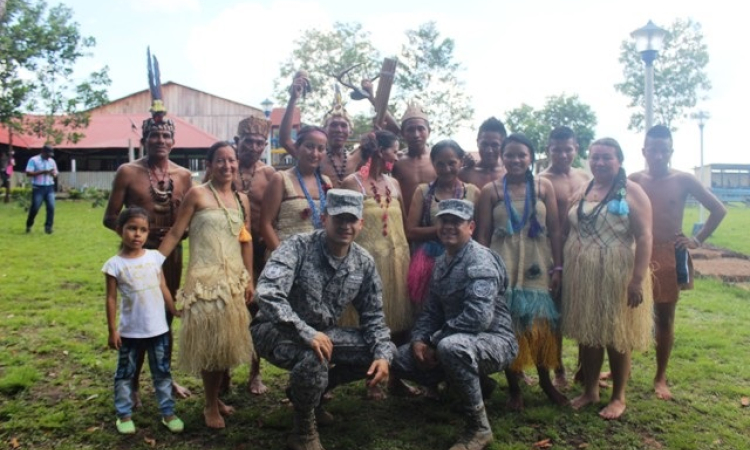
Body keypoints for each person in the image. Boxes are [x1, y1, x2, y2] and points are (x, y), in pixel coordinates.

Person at [251, 189, 394, 450]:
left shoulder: (363, 262)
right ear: (324, 218)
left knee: (380, 350)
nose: (345, 226)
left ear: (361, 224)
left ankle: (306, 393)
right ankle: (304, 429)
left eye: (352, 220)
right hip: (274, 331)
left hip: (323, 334)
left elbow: (373, 316)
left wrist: (382, 354)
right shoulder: (298, 246)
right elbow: (267, 294)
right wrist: (305, 332)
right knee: (314, 354)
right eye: (339, 218)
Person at [392, 199, 518, 450]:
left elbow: (478, 317)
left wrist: (433, 340)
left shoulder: (479, 260)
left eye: (456, 222)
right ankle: (478, 386)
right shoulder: (443, 261)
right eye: (444, 221)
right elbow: (430, 311)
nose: (448, 226)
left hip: (495, 341)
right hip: (455, 339)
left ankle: (479, 429)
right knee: (399, 358)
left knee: (451, 348)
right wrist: (418, 339)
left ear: (470, 227)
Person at [158, 141, 254, 429]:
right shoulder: (197, 194)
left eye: (232, 160)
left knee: (226, 342)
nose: (227, 166)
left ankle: (216, 398)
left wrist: (249, 277)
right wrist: (151, 263)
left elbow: (245, 239)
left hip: (234, 280)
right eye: (221, 161)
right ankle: (210, 404)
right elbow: (176, 232)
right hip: (205, 280)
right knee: (212, 343)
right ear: (209, 164)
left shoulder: (241, 199)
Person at [629, 125, 726, 400]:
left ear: (671, 151)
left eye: (663, 150)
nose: (658, 156)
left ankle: (660, 376)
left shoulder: (683, 180)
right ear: (644, 151)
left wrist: (697, 239)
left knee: (665, 317)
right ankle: (620, 369)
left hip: (669, 253)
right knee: (628, 310)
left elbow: (718, 209)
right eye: (653, 150)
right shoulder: (634, 179)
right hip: (637, 252)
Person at [103, 109, 192, 401]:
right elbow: (110, 217)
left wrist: (180, 234)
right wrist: (136, 243)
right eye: (154, 135)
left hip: (171, 258)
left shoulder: (184, 175)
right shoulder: (128, 172)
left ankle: (164, 380)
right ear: (145, 139)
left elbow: (189, 220)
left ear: (173, 142)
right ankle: (133, 383)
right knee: (137, 317)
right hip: (136, 260)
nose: (160, 140)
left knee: (164, 317)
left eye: (166, 135)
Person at [563, 138, 653, 420]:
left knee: (617, 334)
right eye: (595, 157)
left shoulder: (632, 191)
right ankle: (591, 390)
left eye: (607, 157)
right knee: (588, 333)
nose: (600, 162)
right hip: (584, 273)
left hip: (618, 271)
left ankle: (618, 396)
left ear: (620, 161)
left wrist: (637, 280)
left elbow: (644, 236)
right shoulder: (585, 187)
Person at [475, 133, 566, 410]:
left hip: (538, 265)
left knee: (540, 327)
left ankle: (546, 382)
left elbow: (555, 229)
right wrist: (482, 271)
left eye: (521, 155)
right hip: (503, 266)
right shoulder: (491, 190)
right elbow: (483, 235)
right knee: (510, 326)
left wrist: (558, 267)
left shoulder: (543, 187)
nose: (515, 160)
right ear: (503, 156)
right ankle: (514, 389)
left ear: (531, 158)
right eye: (510, 155)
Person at [340, 130, 413, 399]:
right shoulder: (352, 183)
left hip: (396, 259)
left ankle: (396, 378)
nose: (398, 154)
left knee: (397, 323)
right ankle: (370, 380)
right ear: (381, 151)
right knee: (369, 323)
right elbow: (344, 224)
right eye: (395, 149)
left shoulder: (393, 184)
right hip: (367, 263)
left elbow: (403, 221)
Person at [103, 207, 184, 435]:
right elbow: (111, 298)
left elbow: (164, 287)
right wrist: (112, 331)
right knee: (125, 374)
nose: (137, 234)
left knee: (162, 373)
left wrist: (173, 310)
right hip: (129, 333)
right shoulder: (114, 265)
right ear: (120, 230)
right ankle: (124, 415)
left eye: (143, 230)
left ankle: (168, 413)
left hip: (158, 330)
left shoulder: (154, 258)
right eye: (132, 228)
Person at [539, 126, 592, 388]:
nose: (562, 154)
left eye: (567, 149)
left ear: (576, 150)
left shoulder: (586, 177)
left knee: (584, 308)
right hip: (553, 251)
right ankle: (557, 368)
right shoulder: (542, 180)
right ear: (549, 149)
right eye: (556, 149)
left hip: (583, 251)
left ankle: (584, 368)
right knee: (555, 313)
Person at [406, 140, 480, 307]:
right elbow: (410, 231)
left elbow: (479, 230)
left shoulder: (473, 192)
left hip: (465, 261)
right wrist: (443, 230)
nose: (446, 169)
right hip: (428, 262)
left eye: (452, 163)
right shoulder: (423, 192)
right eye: (440, 164)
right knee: (428, 310)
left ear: (461, 161)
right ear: (433, 164)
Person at [234, 115, 276, 395]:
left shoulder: (269, 174)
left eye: (260, 142)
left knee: (257, 309)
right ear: (238, 142)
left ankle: (255, 371)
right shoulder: (223, 167)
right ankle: (222, 368)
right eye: (249, 141)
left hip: (259, 252)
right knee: (227, 310)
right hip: (226, 249)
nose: (254, 147)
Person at [260, 126, 333, 253]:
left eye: (321, 149)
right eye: (309, 146)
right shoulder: (281, 179)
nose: (315, 153)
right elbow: (265, 224)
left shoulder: (326, 182)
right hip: (286, 258)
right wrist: (284, 259)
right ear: (297, 148)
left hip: (318, 259)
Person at [280, 73, 359, 187]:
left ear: (350, 131)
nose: (338, 130)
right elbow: (285, 140)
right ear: (324, 131)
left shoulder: (356, 157)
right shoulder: (314, 156)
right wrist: (293, 98)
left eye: (343, 125)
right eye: (333, 125)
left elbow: (382, 137)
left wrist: (371, 95)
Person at [392, 101, 437, 214]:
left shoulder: (439, 159)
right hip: (405, 222)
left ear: (429, 131)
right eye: (410, 130)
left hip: (436, 222)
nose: (416, 135)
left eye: (421, 129)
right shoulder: (396, 161)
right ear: (403, 133)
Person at [458, 117, 507, 189]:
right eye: (484, 144)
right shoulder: (465, 174)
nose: (489, 150)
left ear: (503, 145)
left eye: (495, 145)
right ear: (477, 142)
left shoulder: (509, 174)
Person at [25, 145, 58, 234]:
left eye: (50, 155)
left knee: (51, 207)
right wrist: (43, 172)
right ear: (43, 152)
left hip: (49, 187)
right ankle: (29, 224)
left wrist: (53, 174)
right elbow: (28, 173)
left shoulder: (52, 161)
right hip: (38, 187)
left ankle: (48, 228)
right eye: (48, 154)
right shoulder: (34, 160)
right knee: (35, 207)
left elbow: (55, 174)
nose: (49, 156)